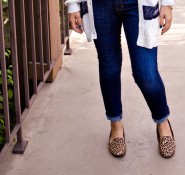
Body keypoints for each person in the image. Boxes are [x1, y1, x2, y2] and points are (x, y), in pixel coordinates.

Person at [65, 0, 176, 158]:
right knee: (109, 68)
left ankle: (162, 121)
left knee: (146, 74)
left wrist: (167, 3)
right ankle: (116, 125)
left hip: (138, 4)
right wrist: (73, 4)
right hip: (100, 6)